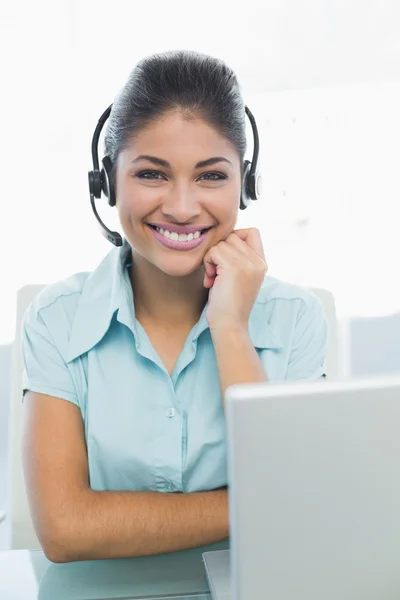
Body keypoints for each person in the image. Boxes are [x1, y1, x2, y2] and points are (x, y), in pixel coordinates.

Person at [21, 50, 328, 564]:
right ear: (107, 182)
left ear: (245, 184)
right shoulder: (58, 319)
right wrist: (262, 505)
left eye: (211, 176)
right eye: (151, 175)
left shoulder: (295, 319)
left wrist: (230, 328)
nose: (183, 207)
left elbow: (297, 519)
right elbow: (64, 529)